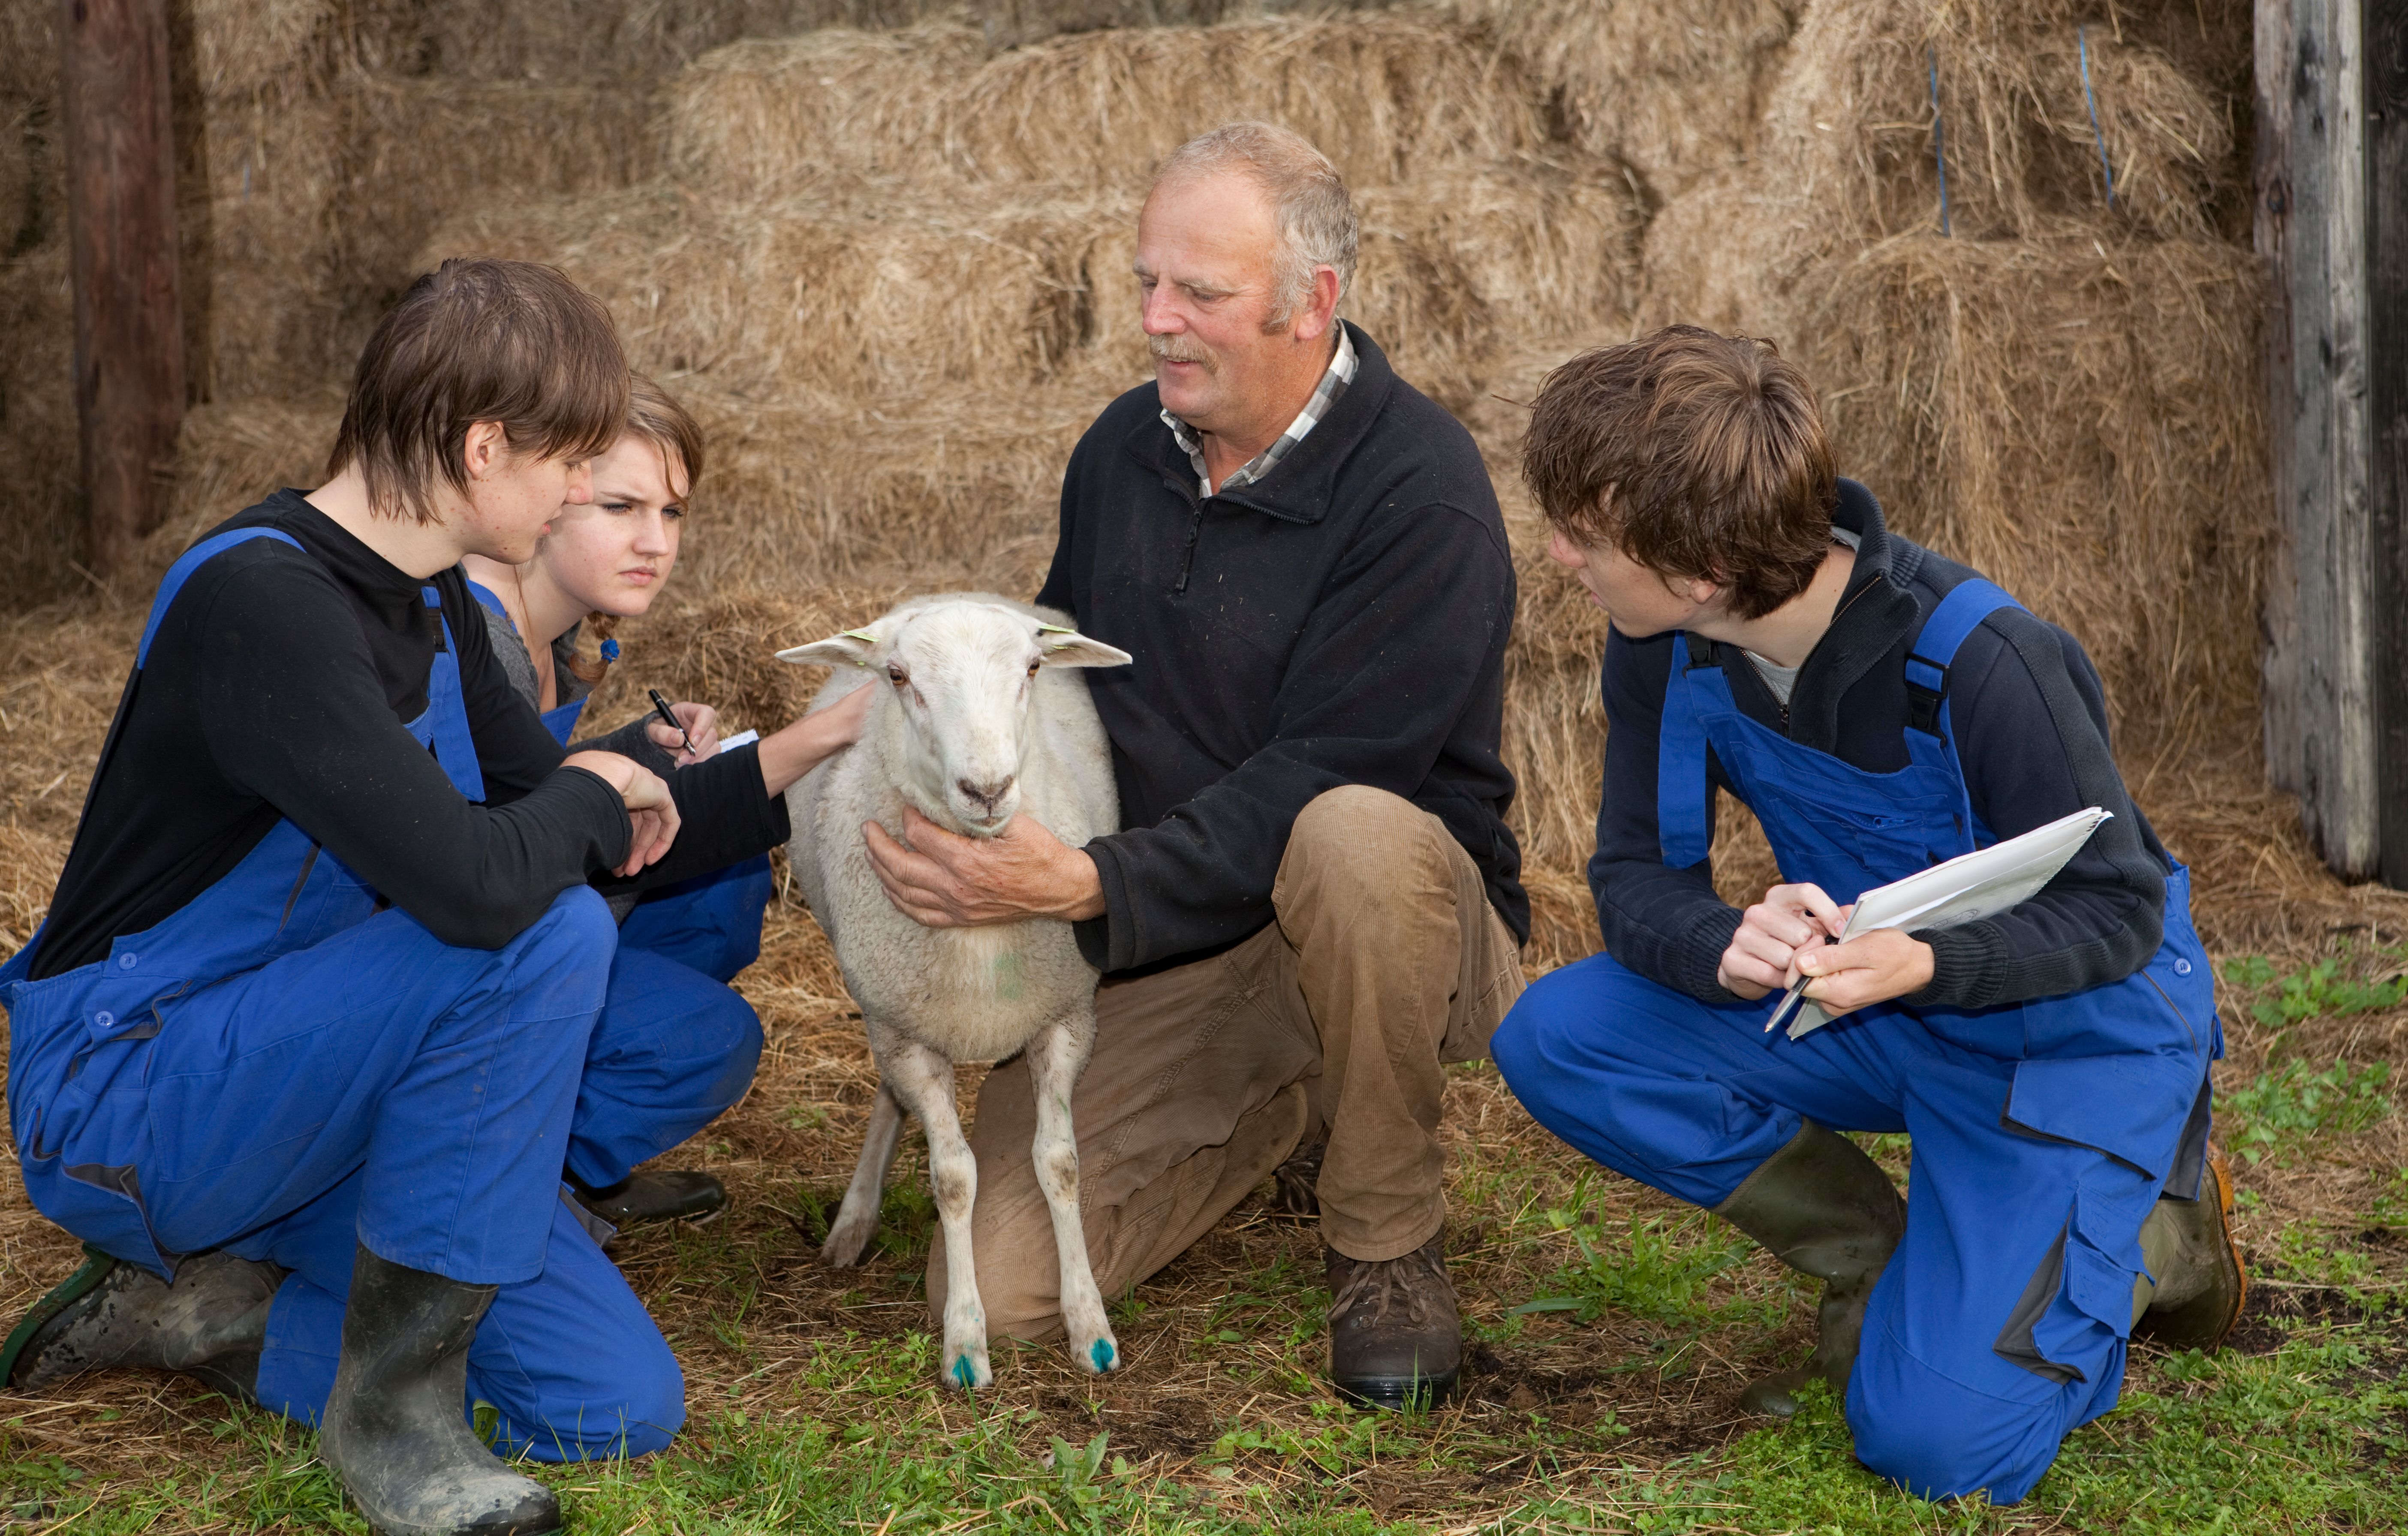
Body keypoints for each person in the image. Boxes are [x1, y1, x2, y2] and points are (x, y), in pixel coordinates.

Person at [0, 260, 860, 1536]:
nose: (583, 491)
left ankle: (211, 1319)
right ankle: (391, 1411)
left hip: (339, 1083)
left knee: (613, 1412)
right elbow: (482, 885)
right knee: (538, 929)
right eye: (571, 463)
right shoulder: (263, 598)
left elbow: (606, 829)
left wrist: (830, 757)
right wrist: (592, 790)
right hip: (146, 1088)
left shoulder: (432, 605)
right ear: (480, 446)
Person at [1487, 326, 2246, 1503]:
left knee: (1935, 1449)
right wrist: (1720, 942)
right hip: (1871, 1007)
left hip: (2073, 1036)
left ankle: (2163, 1229)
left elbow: (2117, 913)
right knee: (1560, 1034)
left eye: (1582, 537)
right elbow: (1636, 876)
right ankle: (1878, 1261)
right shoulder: (1664, 649)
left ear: (1696, 572)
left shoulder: (1987, 661)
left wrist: (1921, 963)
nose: (1559, 554)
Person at [857, 122, 1526, 1409]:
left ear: (1310, 303)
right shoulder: (1123, 449)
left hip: (1393, 925)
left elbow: (1326, 773)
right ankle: (1285, 1095)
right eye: (1148, 282)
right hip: (1177, 931)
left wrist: (1081, 886)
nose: (1158, 320)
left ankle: (1384, 1237)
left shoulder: (1418, 496)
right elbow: (1057, 683)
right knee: (996, 1291)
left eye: (1200, 295)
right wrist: (882, 742)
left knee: (1351, 833)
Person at [464, 374, 774, 1229]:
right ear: (549, 491)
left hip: (513, 912)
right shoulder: (473, 632)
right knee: (709, 1038)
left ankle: (561, 1147)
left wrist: (637, 749)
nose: (656, 541)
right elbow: (495, 850)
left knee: (728, 878)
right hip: (457, 955)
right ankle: (519, 1182)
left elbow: (524, 779)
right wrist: (816, 744)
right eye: (622, 506)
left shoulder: (558, 636)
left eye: (671, 513)